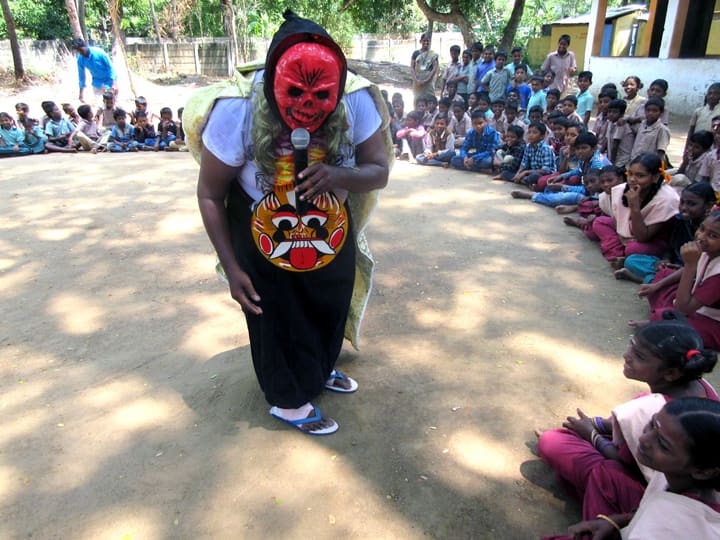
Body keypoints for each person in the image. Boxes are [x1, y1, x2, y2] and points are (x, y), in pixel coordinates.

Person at [191, 10, 389, 435]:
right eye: (294, 93)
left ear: (337, 88)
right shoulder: (236, 108)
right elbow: (210, 193)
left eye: (320, 97)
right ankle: (288, 400)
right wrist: (232, 268)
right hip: (259, 225)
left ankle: (319, 371)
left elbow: (379, 170)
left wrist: (339, 176)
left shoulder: (356, 98)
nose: (305, 107)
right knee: (276, 310)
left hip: (329, 223)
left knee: (331, 299)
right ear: (270, 86)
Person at [542, 396, 720, 540]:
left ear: (703, 471)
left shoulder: (668, 524)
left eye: (663, 445)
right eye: (652, 425)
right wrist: (616, 521)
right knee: (608, 473)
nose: (644, 439)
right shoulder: (678, 477)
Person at [633, 209, 720, 349]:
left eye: (713, 235)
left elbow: (683, 308)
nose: (701, 237)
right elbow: (685, 271)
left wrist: (691, 264)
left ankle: (659, 321)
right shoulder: (709, 250)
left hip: (713, 321)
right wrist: (658, 285)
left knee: (666, 318)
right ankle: (662, 318)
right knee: (663, 275)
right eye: (702, 229)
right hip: (697, 305)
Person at [591, 153, 679, 269]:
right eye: (630, 174)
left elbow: (643, 237)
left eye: (640, 176)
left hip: (652, 240)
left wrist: (635, 206)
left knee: (633, 249)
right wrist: (622, 237)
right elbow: (618, 220)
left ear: (655, 177)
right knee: (599, 222)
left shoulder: (666, 199)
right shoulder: (621, 190)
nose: (632, 179)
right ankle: (621, 253)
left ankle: (622, 254)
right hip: (627, 234)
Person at [617, 182, 716, 283]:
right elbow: (671, 246)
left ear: (709, 205)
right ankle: (660, 279)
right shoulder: (681, 220)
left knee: (696, 282)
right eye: (682, 202)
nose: (684, 208)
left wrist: (684, 268)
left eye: (691, 204)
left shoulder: (714, 229)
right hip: (675, 266)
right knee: (632, 260)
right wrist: (665, 260)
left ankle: (645, 280)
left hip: (696, 270)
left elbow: (706, 262)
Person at [70, 38, 118, 106]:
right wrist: (81, 94)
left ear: (85, 46)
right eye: (78, 51)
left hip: (109, 81)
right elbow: (81, 77)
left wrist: (114, 84)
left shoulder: (99, 53)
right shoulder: (80, 59)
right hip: (97, 83)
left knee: (114, 105)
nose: (81, 53)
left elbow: (110, 68)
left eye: (81, 50)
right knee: (101, 106)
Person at [511, 121, 556, 186]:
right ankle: (524, 180)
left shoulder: (546, 149)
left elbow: (545, 171)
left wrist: (525, 172)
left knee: (535, 177)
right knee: (508, 173)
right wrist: (518, 174)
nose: (530, 135)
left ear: (542, 136)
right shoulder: (528, 146)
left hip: (545, 175)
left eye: (534, 133)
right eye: (529, 132)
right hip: (531, 172)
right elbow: (524, 164)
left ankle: (525, 181)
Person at [630, 97, 671, 165]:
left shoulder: (662, 130)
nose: (650, 113)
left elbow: (661, 152)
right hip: (634, 162)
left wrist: (659, 169)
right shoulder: (641, 125)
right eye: (648, 110)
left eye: (655, 111)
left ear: (661, 113)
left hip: (649, 165)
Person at [411, 32, 439, 102]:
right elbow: (412, 67)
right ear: (420, 41)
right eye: (424, 40)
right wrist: (416, 80)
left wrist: (426, 80)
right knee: (417, 99)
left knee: (429, 99)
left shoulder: (433, 54)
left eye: (428, 41)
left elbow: (435, 68)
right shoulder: (416, 53)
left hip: (428, 81)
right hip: (417, 80)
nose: (426, 42)